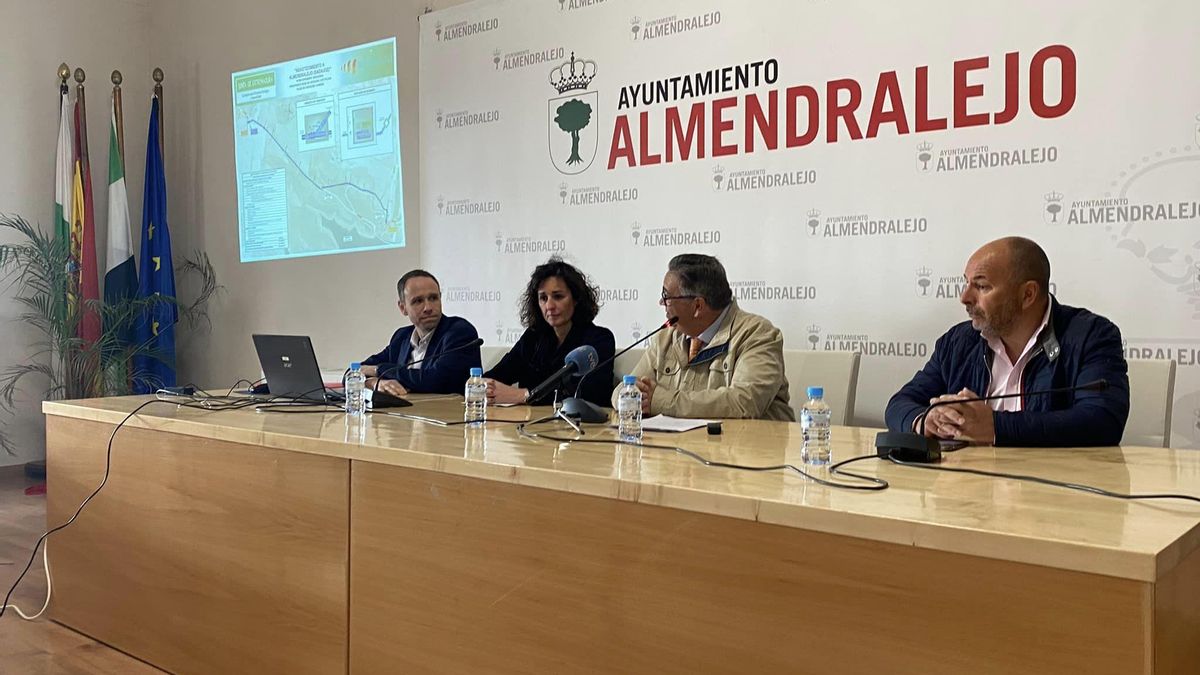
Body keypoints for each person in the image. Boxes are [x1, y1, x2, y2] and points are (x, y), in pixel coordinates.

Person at [885, 236, 1130, 447]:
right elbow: (899, 404)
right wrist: (925, 420)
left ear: (1027, 295)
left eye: (981, 286)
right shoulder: (957, 343)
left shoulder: (1091, 336)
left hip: (1052, 491)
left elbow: (1102, 420)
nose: (964, 297)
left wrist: (995, 427)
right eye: (966, 283)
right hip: (968, 490)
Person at [613, 253, 793, 421]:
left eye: (666, 296)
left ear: (698, 305)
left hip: (748, 450)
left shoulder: (757, 335)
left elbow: (744, 403)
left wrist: (661, 400)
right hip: (681, 448)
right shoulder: (665, 338)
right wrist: (628, 395)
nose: (662, 303)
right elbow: (623, 391)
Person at [484, 258, 615, 407]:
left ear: (576, 299)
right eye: (543, 298)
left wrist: (523, 395)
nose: (549, 306)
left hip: (580, 427)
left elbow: (588, 394)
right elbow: (495, 377)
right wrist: (480, 385)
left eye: (558, 296)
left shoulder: (599, 339)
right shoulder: (533, 337)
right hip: (529, 423)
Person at [361, 269, 481, 396]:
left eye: (433, 298)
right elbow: (353, 373)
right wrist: (374, 383)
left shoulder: (460, 332)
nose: (428, 308)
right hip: (404, 412)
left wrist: (378, 370)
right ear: (403, 308)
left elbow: (438, 380)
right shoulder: (402, 337)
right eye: (418, 301)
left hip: (446, 412)